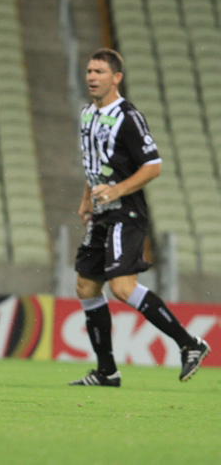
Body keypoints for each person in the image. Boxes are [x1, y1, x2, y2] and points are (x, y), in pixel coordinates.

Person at [70, 48, 210, 386]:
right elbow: (95, 163)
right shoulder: (87, 114)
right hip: (102, 212)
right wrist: (87, 198)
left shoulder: (128, 116)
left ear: (116, 78)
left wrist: (117, 191)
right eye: (89, 70)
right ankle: (107, 372)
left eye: (100, 71)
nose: (91, 76)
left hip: (126, 212)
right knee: (86, 286)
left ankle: (190, 344)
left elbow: (153, 166)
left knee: (121, 287)